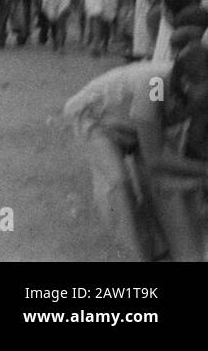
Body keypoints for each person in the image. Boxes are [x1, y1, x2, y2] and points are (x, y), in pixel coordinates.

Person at [64, 44, 208, 261]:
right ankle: (136, 256)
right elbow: (155, 158)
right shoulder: (156, 86)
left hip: (138, 126)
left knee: (165, 184)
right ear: (187, 84)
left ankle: (162, 247)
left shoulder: (196, 93)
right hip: (96, 119)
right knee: (119, 184)